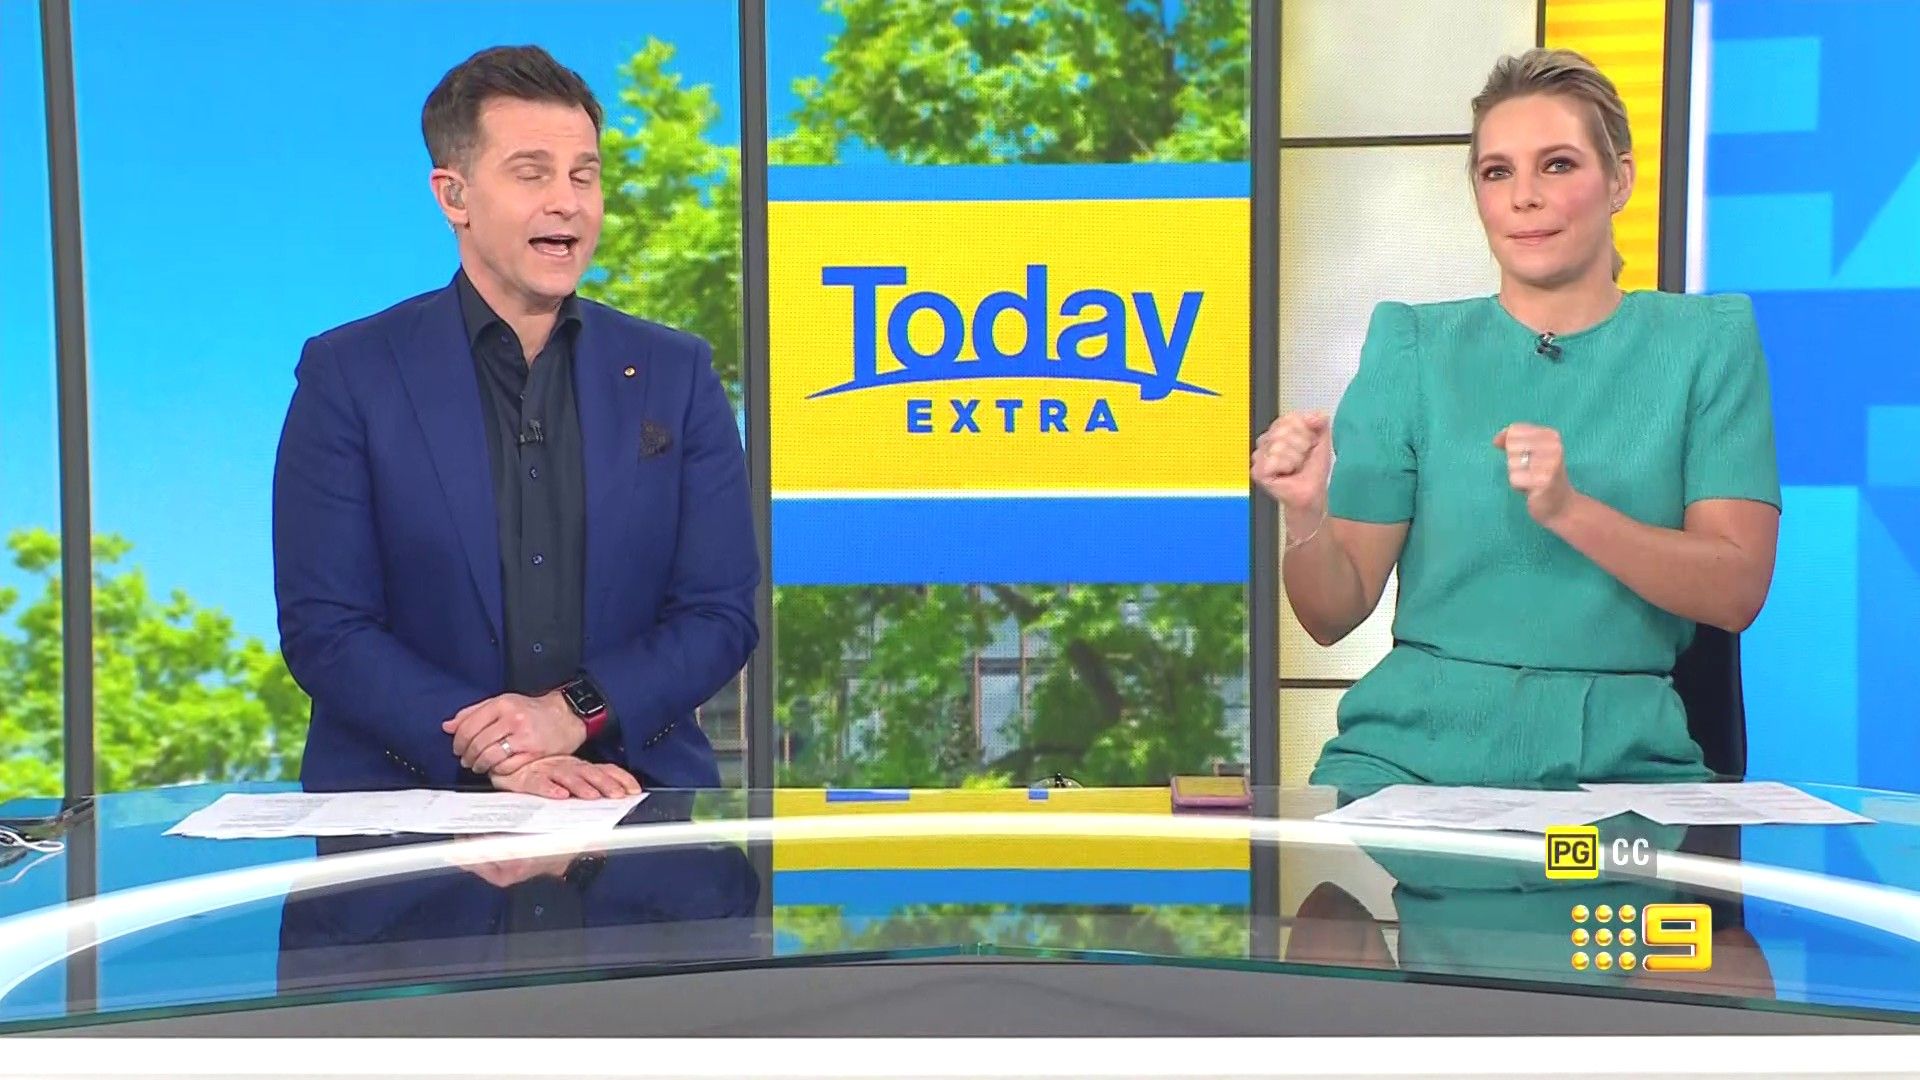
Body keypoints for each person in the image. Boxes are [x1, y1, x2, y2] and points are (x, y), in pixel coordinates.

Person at [1252, 48, 1780, 792]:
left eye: (1557, 165)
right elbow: (1330, 615)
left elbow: (1736, 590)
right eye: (1497, 172)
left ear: (1620, 180)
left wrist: (1571, 512)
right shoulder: (1412, 346)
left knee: (1601, 869)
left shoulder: (1707, 344)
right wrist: (1306, 517)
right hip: (1409, 763)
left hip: (1621, 767)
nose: (1524, 197)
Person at [273, 45, 757, 798]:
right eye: (532, 174)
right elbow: (327, 628)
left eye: (584, 175)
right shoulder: (350, 374)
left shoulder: (676, 373)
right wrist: (502, 750)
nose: (567, 202)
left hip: (633, 803)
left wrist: (570, 715)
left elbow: (718, 614)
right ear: (454, 196)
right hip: (412, 818)